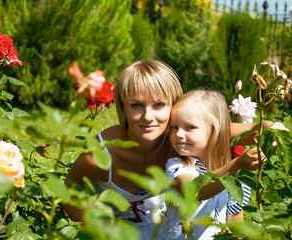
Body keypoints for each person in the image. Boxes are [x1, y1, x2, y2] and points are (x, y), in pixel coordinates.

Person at [63, 59, 285, 240]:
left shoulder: (179, 136)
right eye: (136, 105)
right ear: (123, 107)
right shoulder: (102, 155)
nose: (148, 117)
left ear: (173, 106)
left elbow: (254, 131)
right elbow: (67, 196)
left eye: (159, 105)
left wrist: (275, 129)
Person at [165, 90, 255, 239]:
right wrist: (237, 165)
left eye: (189, 127)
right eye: (174, 127)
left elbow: (235, 222)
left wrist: (275, 126)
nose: (179, 134)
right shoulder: (178, 166)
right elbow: (198, 190)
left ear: (215, 130)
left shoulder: (232, 174)